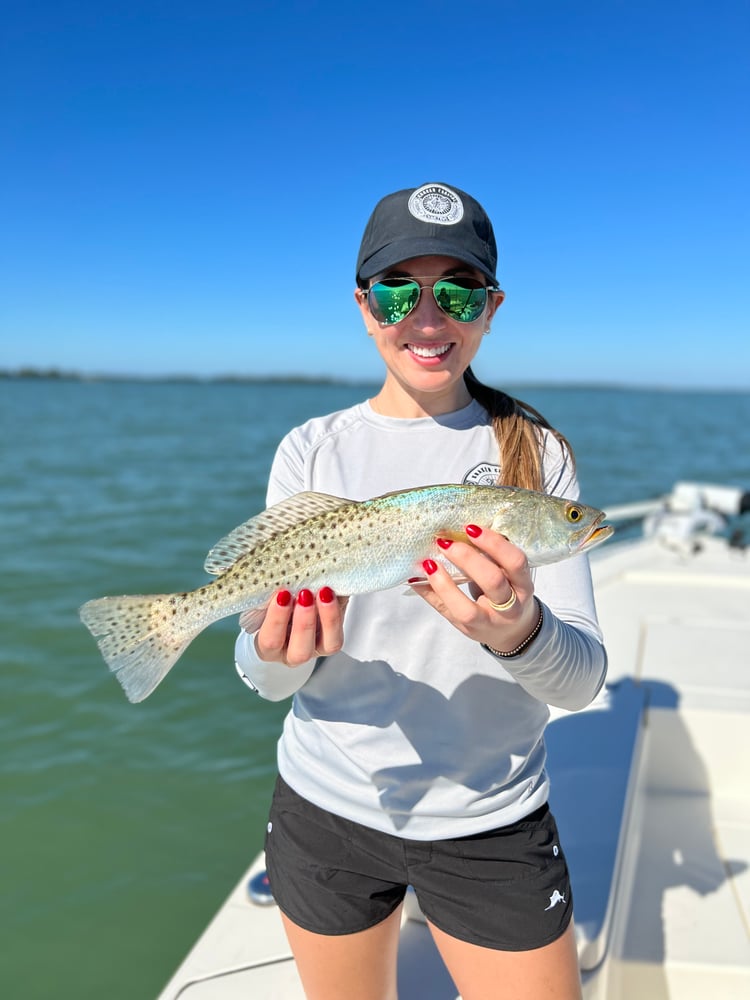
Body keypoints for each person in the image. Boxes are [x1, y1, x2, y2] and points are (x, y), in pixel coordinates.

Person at [234, 181, 607, 1000]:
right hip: (323, 808)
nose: (428, 319)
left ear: (492, 306)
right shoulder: (311, 449)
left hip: (491, 823)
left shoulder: (533, 454)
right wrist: (276, 653)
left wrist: (519, 631)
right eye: (400, 291)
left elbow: (581, 681)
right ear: (366, 308)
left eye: (459, 291)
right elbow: (264, 679)